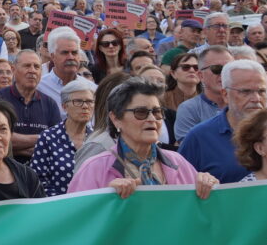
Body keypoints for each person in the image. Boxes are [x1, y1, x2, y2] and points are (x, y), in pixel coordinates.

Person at [70, 77, 218, 198]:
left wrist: (208, 187)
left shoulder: (178, 162)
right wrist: (106, 198)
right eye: (141, 112)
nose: (152, 118)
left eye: (157, 112)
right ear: (116, 119)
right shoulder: (94, 168)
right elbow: (77, 220)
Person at [178, 59, 267, 183]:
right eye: (245, 91)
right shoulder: (199, 137)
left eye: (261, 91)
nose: (256, 98)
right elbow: (180, 188)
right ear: (225, 95)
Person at [30, 78, 97, 196]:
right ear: (64, 106)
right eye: (78, 101)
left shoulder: (97, 140)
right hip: (57, 206)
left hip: (91, 206)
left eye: (89, 101)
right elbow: (37, 181)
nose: (85, 106)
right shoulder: (48, 137)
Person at [0, 50, 59, 160]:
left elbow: (56, 142)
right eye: (27, 66)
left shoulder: (50, 104)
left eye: (36, 67)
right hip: (4, 168)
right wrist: (42, 139)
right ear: (13, 70)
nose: (32, 71)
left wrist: (15, 148)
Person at [173, 46, 234, 138]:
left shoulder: (245, 104)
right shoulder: (189, 109)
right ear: (201, 76)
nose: (224, 74)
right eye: (217, 69)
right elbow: (191, 148)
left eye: (229, 69)